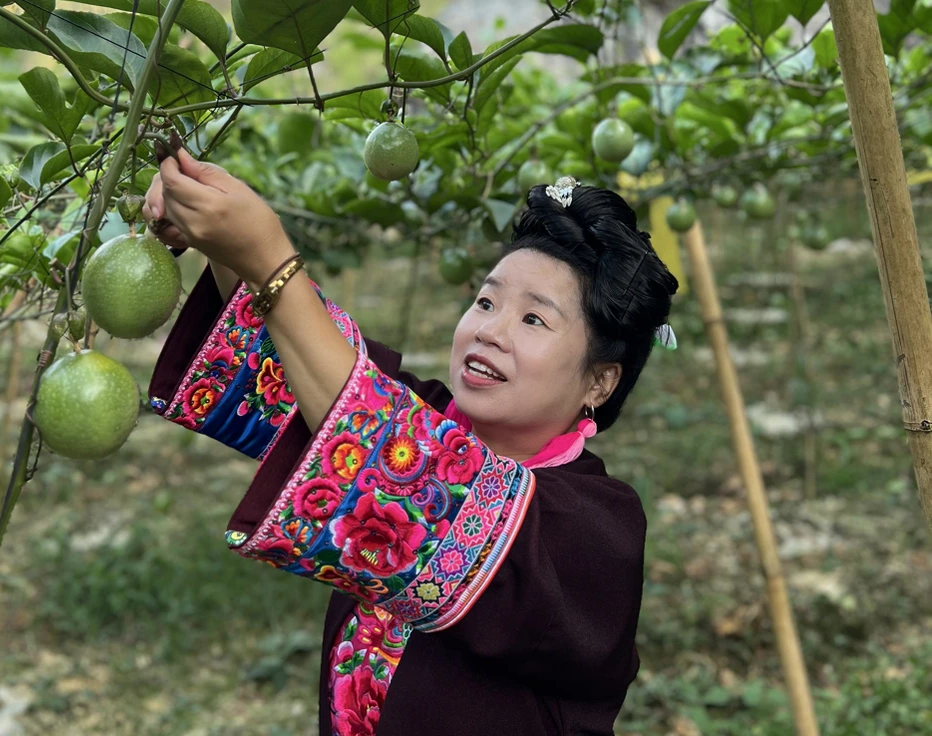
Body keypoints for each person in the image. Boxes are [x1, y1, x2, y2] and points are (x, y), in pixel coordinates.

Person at [142, 149, 679, 736]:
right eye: (485, 301)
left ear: (601, 381)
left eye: (533, 320)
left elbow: (407, 461)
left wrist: (271, 262)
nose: (489, 331)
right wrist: (226, 243)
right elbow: (304, 356)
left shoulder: (596, 529)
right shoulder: (422, 415)